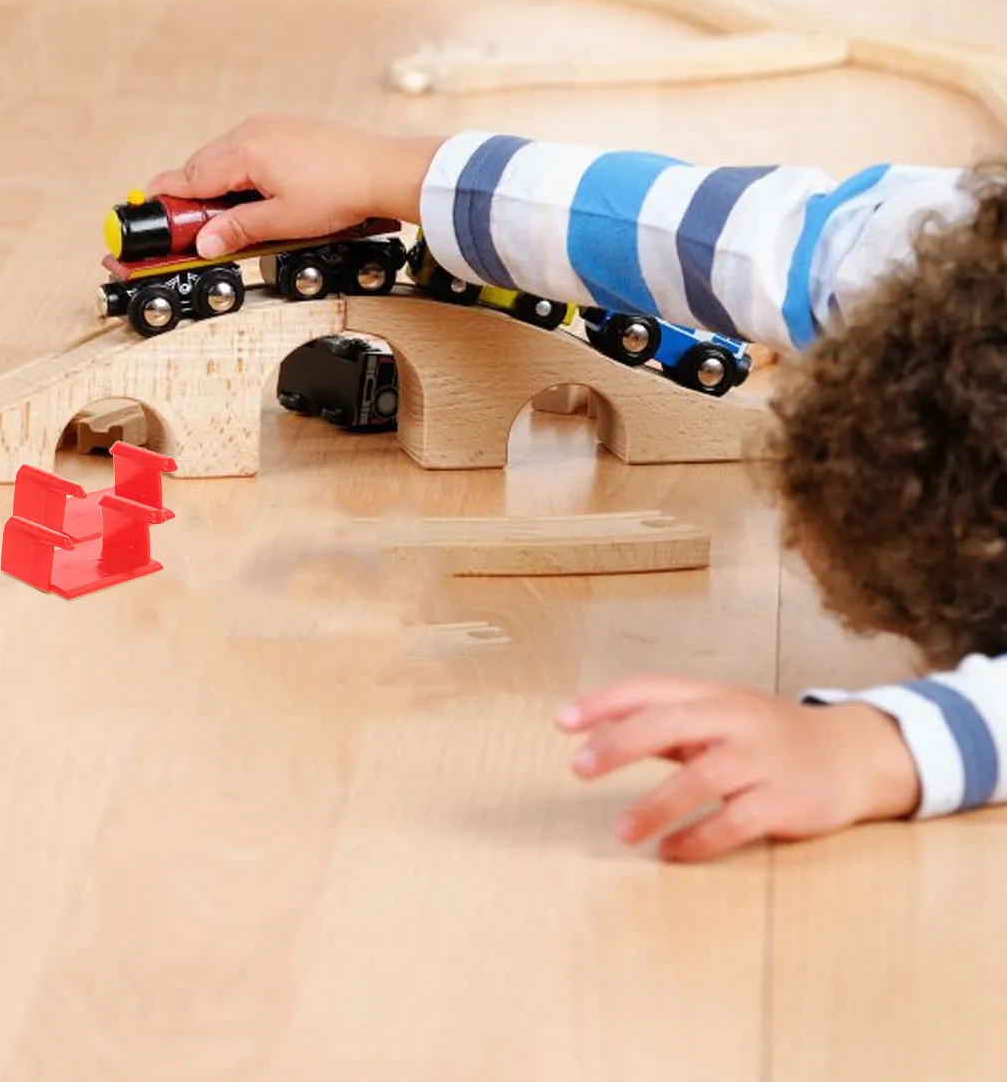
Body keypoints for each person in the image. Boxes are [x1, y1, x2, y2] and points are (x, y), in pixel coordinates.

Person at [146, 115, 1007, 860]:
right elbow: (683, 231)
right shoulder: (886, 254)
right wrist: (380, 171)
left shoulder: (902, 256)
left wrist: (880, 748)